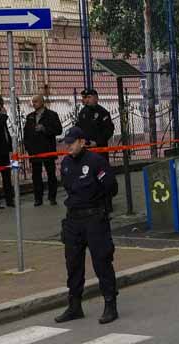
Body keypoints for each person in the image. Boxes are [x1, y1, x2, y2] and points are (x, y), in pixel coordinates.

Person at [54, 127, 119, 324]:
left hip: (94, 219)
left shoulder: (95, 162)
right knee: (73, 264)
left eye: (72, 143)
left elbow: (111, 187)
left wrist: (100, 207)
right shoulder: (65, 164)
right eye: (67, 143)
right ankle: (75, 305)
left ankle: (110, 304)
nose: (68, 147)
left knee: (102, 261)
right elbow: (68, 188)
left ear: (82, 142)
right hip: (74, 220)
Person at [23, 95, 63, 207]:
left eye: (35, 101)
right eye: (32, 102)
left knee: (51, 174)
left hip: (48, 150)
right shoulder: (30, 116)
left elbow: (58, 130)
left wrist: (45, 129)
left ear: (42, 102)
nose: (33, 104)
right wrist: (28, 148)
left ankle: (52, 197)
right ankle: (38, 198)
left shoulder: (51, 115)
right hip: (34, 152)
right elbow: (26, 133)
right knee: (36, 176)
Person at [75, 88, 114, 162]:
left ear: (96, 98)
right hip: (86, 149)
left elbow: (109, 130)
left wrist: (97, 142)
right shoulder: (83, 112)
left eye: (89, 97)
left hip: (99, 150)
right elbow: (78, 127)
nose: (87, 100)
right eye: (85, 97)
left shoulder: (102, 112)